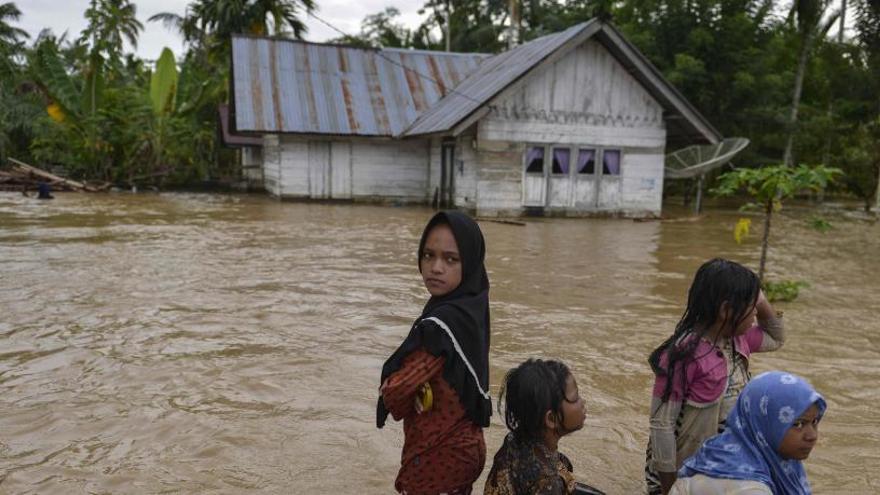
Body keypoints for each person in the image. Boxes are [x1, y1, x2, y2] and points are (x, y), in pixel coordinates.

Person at [645, 258, 785, 495]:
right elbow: (662, 426)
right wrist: (672, 489)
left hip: (723, 468)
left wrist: (759, 299)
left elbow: (776, 337)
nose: (755, 313)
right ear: (726, 310)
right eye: (751, 306)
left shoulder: (738, 340)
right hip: (683, 475)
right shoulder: (683, 355)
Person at [377, 211, 492, 495]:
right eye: (428, 255)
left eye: (450, 259)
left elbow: (394, 395)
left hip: (438, 456)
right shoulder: (472, 307)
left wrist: (398, 391)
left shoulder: (440, 328)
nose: (435, 267)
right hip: (466, 445)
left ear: (470, 262)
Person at [671, 371, 826, 494]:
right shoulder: (749, 488)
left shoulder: (718, 451)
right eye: (798, 424)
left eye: (814, 422)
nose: (812, 436)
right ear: (765, 425)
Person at [484, 358, 604, 495]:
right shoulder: (547, 483)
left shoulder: (514, 440)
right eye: (575, 398)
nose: (583, 402)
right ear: (551, 419)